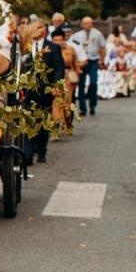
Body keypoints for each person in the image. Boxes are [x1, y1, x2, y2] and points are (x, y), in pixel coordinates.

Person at [28, 20, 65, 163]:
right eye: (35, 27)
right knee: (28, 120)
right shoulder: (25, 46)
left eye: (41, 27)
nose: (38, 30)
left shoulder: (53, 47)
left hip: (45, 90)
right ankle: (28, 152)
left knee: (43, 120)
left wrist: (56, 85)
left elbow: (59, 67)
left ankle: (41, 149)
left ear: (45, 30)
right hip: (28, 90)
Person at [69, 16, 105, 117]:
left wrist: (102, 60)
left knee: (94, 83)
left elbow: (102, 47)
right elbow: (72, 48)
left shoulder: (98, 34)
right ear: (81, 24)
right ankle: (82, 108)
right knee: (81, 85)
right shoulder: (77, 35)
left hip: (93, 60)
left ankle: (93, 105)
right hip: (81, 62)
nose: (88, 25)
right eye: (86, 23)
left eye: (90, 23)